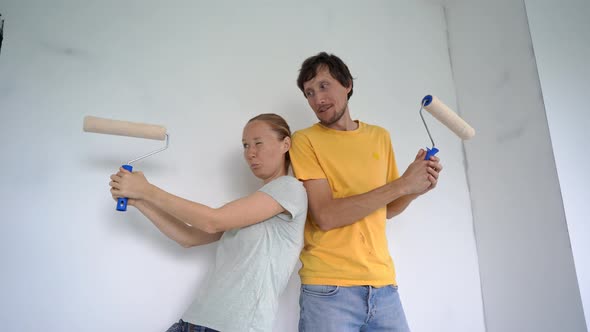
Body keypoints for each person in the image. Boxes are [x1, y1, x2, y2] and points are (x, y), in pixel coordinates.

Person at [109, 113, 307, 332]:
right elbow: (188, 237)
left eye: (258, 143)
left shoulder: (290, 189)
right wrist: (140, 200)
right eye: (245, 145)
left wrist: (147, 190)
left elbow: (212, 221)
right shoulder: (251, 205)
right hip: (193, 321)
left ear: (285, 144)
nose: (251, 153)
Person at [290, 52, 443, 332]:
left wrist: (416, 187)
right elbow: (325, 215)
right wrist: (402, 184)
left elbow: (387, 208)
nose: (317, 99)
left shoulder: (379, 137)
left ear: (347, 84)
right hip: (329, 289)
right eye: (309, 93)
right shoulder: (305, 140)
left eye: (324, 86)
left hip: (383, 286)